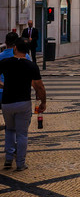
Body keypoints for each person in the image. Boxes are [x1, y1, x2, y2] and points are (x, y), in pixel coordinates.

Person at [1, 38, 46, 171]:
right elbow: (39, 87)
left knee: (9, 129)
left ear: (15, 48)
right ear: (27, 52)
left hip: (7, 102)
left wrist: (3, 85)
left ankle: (8, 159)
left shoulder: (5, 62)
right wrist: (43, 101)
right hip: (23, 102)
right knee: (22, 134)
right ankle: (20, 163)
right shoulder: (31, 66)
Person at [0, 32, 31, 104]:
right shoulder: (25, 56)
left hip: (2, 92)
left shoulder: (0, 56)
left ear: (5, 42)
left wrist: (5, 86)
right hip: (20, 94)